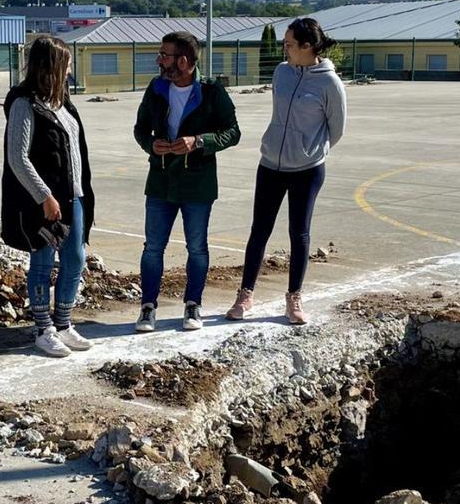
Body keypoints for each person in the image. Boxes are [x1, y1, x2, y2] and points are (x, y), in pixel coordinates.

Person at [225, 17, 346, 324]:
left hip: (307, 169)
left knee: (299, 233)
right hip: (270, 165)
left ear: (308, 47)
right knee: (259, 230)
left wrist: (309, 149)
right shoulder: (281, 72)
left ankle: (293, 299)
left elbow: (337, 129)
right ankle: (245, 295)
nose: (285, 48)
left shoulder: (330, 83)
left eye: (290, 44)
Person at [132, 31, 241, 332]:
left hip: (197, 184)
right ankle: (148, 306)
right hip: (161, 181)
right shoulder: (155, 88)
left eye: (164, 55)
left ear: (183, 60)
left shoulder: (211, 90)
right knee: (153, 247)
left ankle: (193, 305)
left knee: (197, 247)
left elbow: (233, 132)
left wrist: (200, 141)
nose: (159, 59)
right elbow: (140, 129)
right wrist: (150, 144)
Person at [1, 36, 96, 357]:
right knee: (42, 262)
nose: (70, 68)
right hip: (42, 203)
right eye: (66, 63)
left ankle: (64, 323)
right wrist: (44, 195)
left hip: (75, 198)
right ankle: (43, 330)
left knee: (75, 260)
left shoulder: (63, 103)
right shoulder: (23, 104)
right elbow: (18, 157)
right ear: (51, 66)